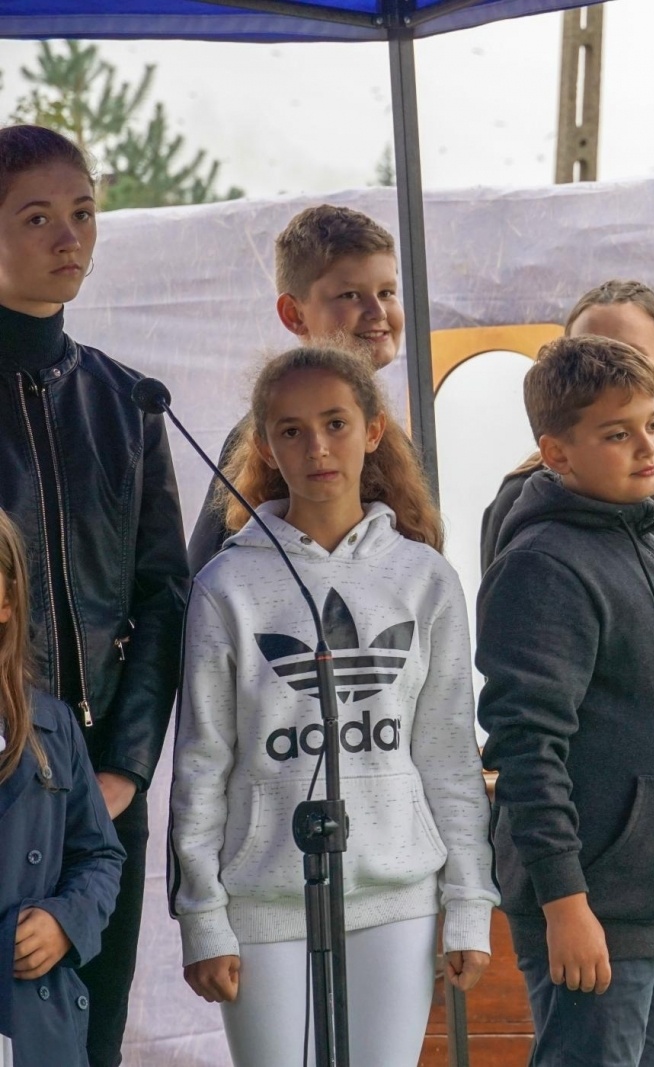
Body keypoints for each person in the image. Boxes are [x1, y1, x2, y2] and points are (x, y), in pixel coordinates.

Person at [168, 346, 497, 1066]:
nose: (316, 446)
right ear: (265, 447)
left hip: (399, 899)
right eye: (291, 430)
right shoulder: (226, 585)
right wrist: (203, 915)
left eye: (335, 423)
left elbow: (447, 754)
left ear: (373, 430)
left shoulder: (424, 577)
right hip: (262, 902)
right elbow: (201, 761)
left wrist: (470, 901)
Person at [481, 280, 654, 1067]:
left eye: (652, 423)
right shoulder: (542, 563)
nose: (649, 447)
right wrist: (564, 900)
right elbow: (526, 747)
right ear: (557, 453)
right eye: (618, 433)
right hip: (597, 908)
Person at [0, 123, 188, 1067]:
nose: (69, 237)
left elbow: (164, 594)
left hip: (101, 790)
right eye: (38, 217)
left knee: (88, 1045)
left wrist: (127, 765)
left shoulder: (128, 399)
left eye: (82, 213)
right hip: (5, 770)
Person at [187, 203, 404, 573]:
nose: (378, 312)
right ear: (294, 314)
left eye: (386, 292)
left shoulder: (393, 438)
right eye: (350, 295)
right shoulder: (263, 441)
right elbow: (208, 576)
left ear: (373, 432)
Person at [0, 507, 125, 1067]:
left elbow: (98, 854)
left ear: (7, 601)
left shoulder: (53, 726)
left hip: (32, 1020)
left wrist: (65, 922)